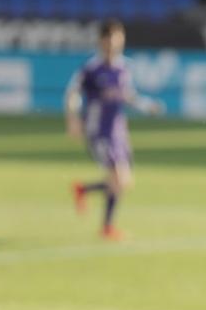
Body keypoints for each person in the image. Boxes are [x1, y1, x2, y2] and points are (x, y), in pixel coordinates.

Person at [64, 19, 164, 240]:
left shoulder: (124, 67)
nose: (113, 43)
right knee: (118, 178)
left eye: (117, 38)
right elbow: (73, 92)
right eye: (109, 38)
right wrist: (72, 117)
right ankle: (107, 228)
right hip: (98, 131)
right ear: (101, 41)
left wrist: (148, 106)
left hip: (118, 131)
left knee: (125, 181)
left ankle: (84, 190)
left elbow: (128, 96)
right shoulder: (91, 68)